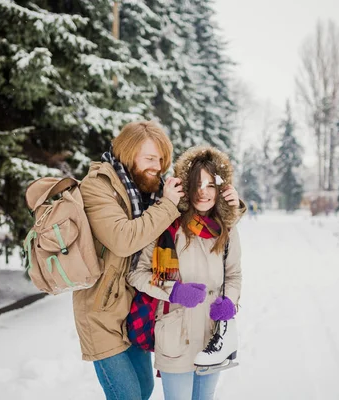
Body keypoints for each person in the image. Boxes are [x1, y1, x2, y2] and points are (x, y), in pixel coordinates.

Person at [73, 121, 241, 400]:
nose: (157, 166)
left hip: (134, 310)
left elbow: (201, 201)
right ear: (128, 153)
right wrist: (173, 290)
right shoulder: (98, 187)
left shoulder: (147, 186)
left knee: (145, 389)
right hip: (102, 311)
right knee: (128, 395)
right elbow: (123, 240)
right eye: (150, 158)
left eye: (161, 159)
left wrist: (232, 207)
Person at [128, 146, 243, 400]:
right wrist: (174, 291)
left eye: (210, 185)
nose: (203, 192)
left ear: (220, 188)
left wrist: (230, 303)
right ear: (186, 187)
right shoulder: (167, 223)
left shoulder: (226, 228)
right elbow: (137, 273)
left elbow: (234, 275)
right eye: (196, 184)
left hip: (213, 335)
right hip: (175, 335)